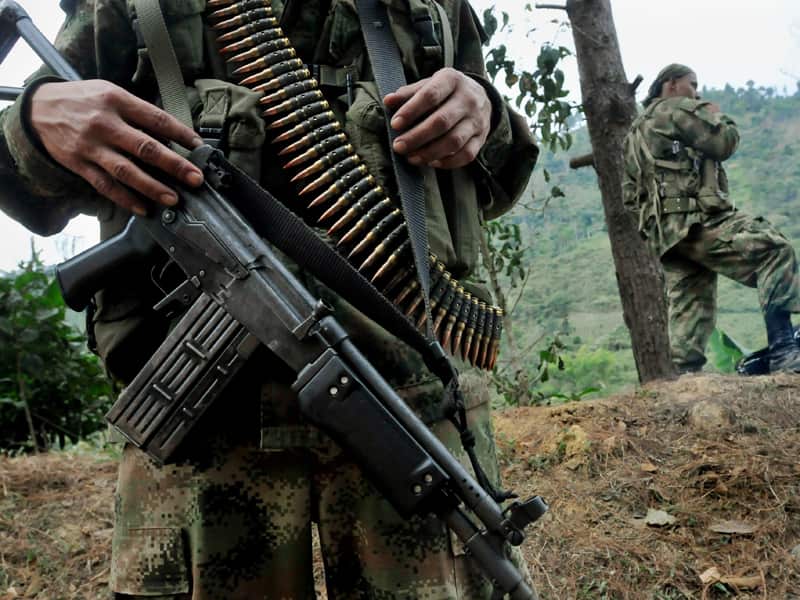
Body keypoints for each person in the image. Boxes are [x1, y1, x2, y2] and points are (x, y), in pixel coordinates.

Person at [0, 0, 539, 597]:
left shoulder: (427, 7)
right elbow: (21, 173)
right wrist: (35, 120)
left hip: (408, 410)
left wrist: (482, 112)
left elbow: (482, 184)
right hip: (201, 437)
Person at [622, 63, 800, 374]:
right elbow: (723, 142)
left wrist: (661, 226)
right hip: (696, 224)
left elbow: (630, 196)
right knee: (775, 250)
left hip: (669, 238)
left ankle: (684, 383)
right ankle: (785, 351)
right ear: (672, 84)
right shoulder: (676, 109)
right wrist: (718, 115)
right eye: (692, 83)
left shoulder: (634, 134)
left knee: (691, 307)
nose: (696, 91)